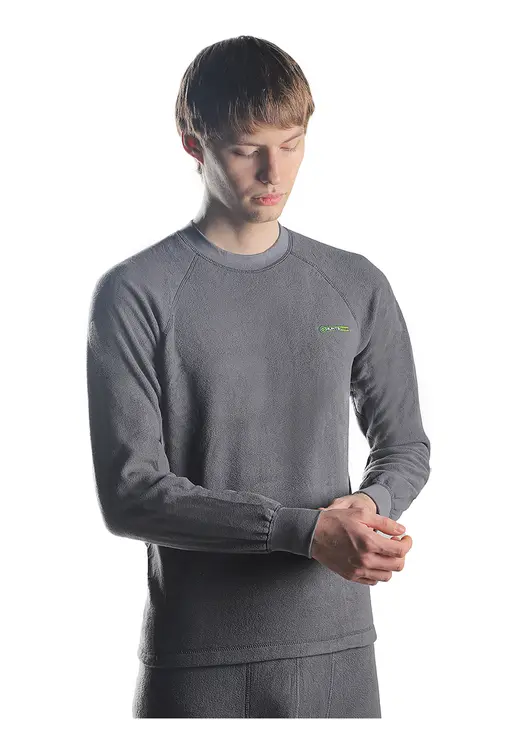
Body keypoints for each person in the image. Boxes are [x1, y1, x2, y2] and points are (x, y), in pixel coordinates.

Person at [86, 35, 431, 718]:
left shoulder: (353, 283)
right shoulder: (137, 292)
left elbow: (405, 446)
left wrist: (372, 505)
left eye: (292, 144)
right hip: (195, 659)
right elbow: (130, 494)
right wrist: (300, 530)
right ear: (194, 143)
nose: (275, 171)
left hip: (338, 653)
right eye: (248, 149)